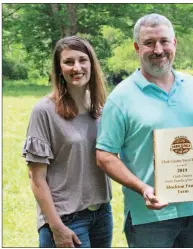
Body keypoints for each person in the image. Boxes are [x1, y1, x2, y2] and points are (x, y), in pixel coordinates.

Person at [95, 13, 193, 247]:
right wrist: (143, 188)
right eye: (149, 43)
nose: (158, 49)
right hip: (149, 218)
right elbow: (104, 155)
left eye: (164, 41)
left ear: (174, 43)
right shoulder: (121, 97)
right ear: (137, 47)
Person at [22, 36, 113, 248]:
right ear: (59, 68)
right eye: (69, 62)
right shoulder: (44, 111)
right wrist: (56, 227)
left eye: (83, 60)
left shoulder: (100, 107)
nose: (77, 67)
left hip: (102, 215)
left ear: (92, 64)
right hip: (66, 218)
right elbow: (36, 178)